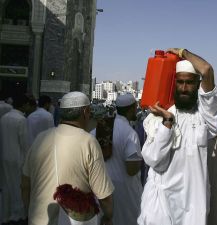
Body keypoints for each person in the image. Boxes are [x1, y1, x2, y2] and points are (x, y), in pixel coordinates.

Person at [138, 48, 217, 225]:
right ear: (174, 84)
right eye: (180, 82)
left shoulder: (205, 118)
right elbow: (152, 159)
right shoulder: (157, 118)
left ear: (198, 85)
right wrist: (167, 123)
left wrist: (183, 52)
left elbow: (206, 70)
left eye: (189, 83)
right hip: (161, 207)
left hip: (193, 207)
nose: (184, 88)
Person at [21, 91, 114, 225]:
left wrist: (29, 213)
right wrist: (108, 216)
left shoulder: (40, 138)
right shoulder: (88, 142)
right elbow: (104, 196)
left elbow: (24, 185)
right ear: (86, 112)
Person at [105, 93, 143, 225]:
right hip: (126, 191)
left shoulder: (102, 128)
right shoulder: (129, 133)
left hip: (105, 191)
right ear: (131, 109)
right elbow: (132, 169)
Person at [1, 94, 30, 224]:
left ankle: (5, 214)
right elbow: (25, 143)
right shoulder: (21, 119)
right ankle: (17, 214)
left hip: (4, 155)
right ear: (23, 105)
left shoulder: (4, 118)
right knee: (18, 186)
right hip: (17, 157)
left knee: (6, 185)